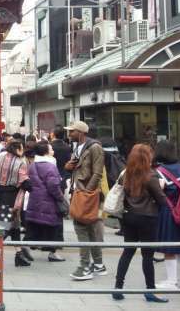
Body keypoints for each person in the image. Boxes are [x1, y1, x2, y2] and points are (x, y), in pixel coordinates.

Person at [112, 144, 169, 303]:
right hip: (147, 218)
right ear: (146, 157)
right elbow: (161, 200)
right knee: (147, 255)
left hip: (129, 217)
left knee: (127, 252)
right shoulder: (150, 176)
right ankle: (149, 291)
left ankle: (118, 287)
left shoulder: (126, 174)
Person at [64, 120, 107, 280]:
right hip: (80, 192)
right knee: (90, 229)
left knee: (81, 227)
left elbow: (97, 173)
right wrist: (68, 166)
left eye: (72, 131)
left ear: (81, 132)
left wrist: (88, 192)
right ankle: (98, 264)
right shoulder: (78, 147)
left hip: (87, 194)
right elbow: (77, 168)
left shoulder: (95, 147)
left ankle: (84, 266)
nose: (69, 134)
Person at [154, 140, 180, 289]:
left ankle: (171, 281)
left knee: (169, 247)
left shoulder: (160, 171)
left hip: (169, 212)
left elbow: (158, 193)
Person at [0, 140, 32, 267]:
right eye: (21, 148)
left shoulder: (0, 156)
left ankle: (19, 255)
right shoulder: (20, 162)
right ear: (18, 149)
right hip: (12, 198)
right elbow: (24, 181)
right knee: (1, 228)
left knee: (14, 227)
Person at [24, 141, 66, 262]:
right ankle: (53, 252)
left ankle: (26, 247)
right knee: (55, 227)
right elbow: (53, 186)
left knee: (34, 226)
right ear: (46, 152)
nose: (53, 150)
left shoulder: (32, 165)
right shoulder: (50, 166)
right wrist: (60, 197)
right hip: (49, 202)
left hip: (35, 200)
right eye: (51, 149)